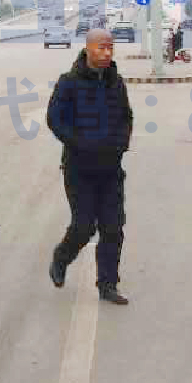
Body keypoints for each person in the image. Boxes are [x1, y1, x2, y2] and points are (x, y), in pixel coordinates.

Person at [45, 28, 134, 305]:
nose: (107, 53)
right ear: (88, 49)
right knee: (83, 226)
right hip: (79, 169)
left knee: (113, 227)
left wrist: (120, 144)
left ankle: (107, 284)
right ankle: (61, 258)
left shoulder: (116, 83)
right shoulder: (68, 83)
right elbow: (55, 120)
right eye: (101, 48)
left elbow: (126, 117)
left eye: (110, 48)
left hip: (110, 170)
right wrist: (80, 143)